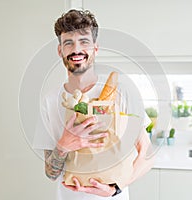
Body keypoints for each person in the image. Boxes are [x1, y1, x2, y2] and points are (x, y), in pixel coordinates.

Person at [36, 9, 154, 200]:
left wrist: (116, 188)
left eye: (84, 42)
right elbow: (50, 173)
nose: (76, 50)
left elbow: (147, 153)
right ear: (60, 50)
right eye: (68, 43)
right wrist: (63, 146)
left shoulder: (122, 91)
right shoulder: (50, 101)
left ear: (95, 49)